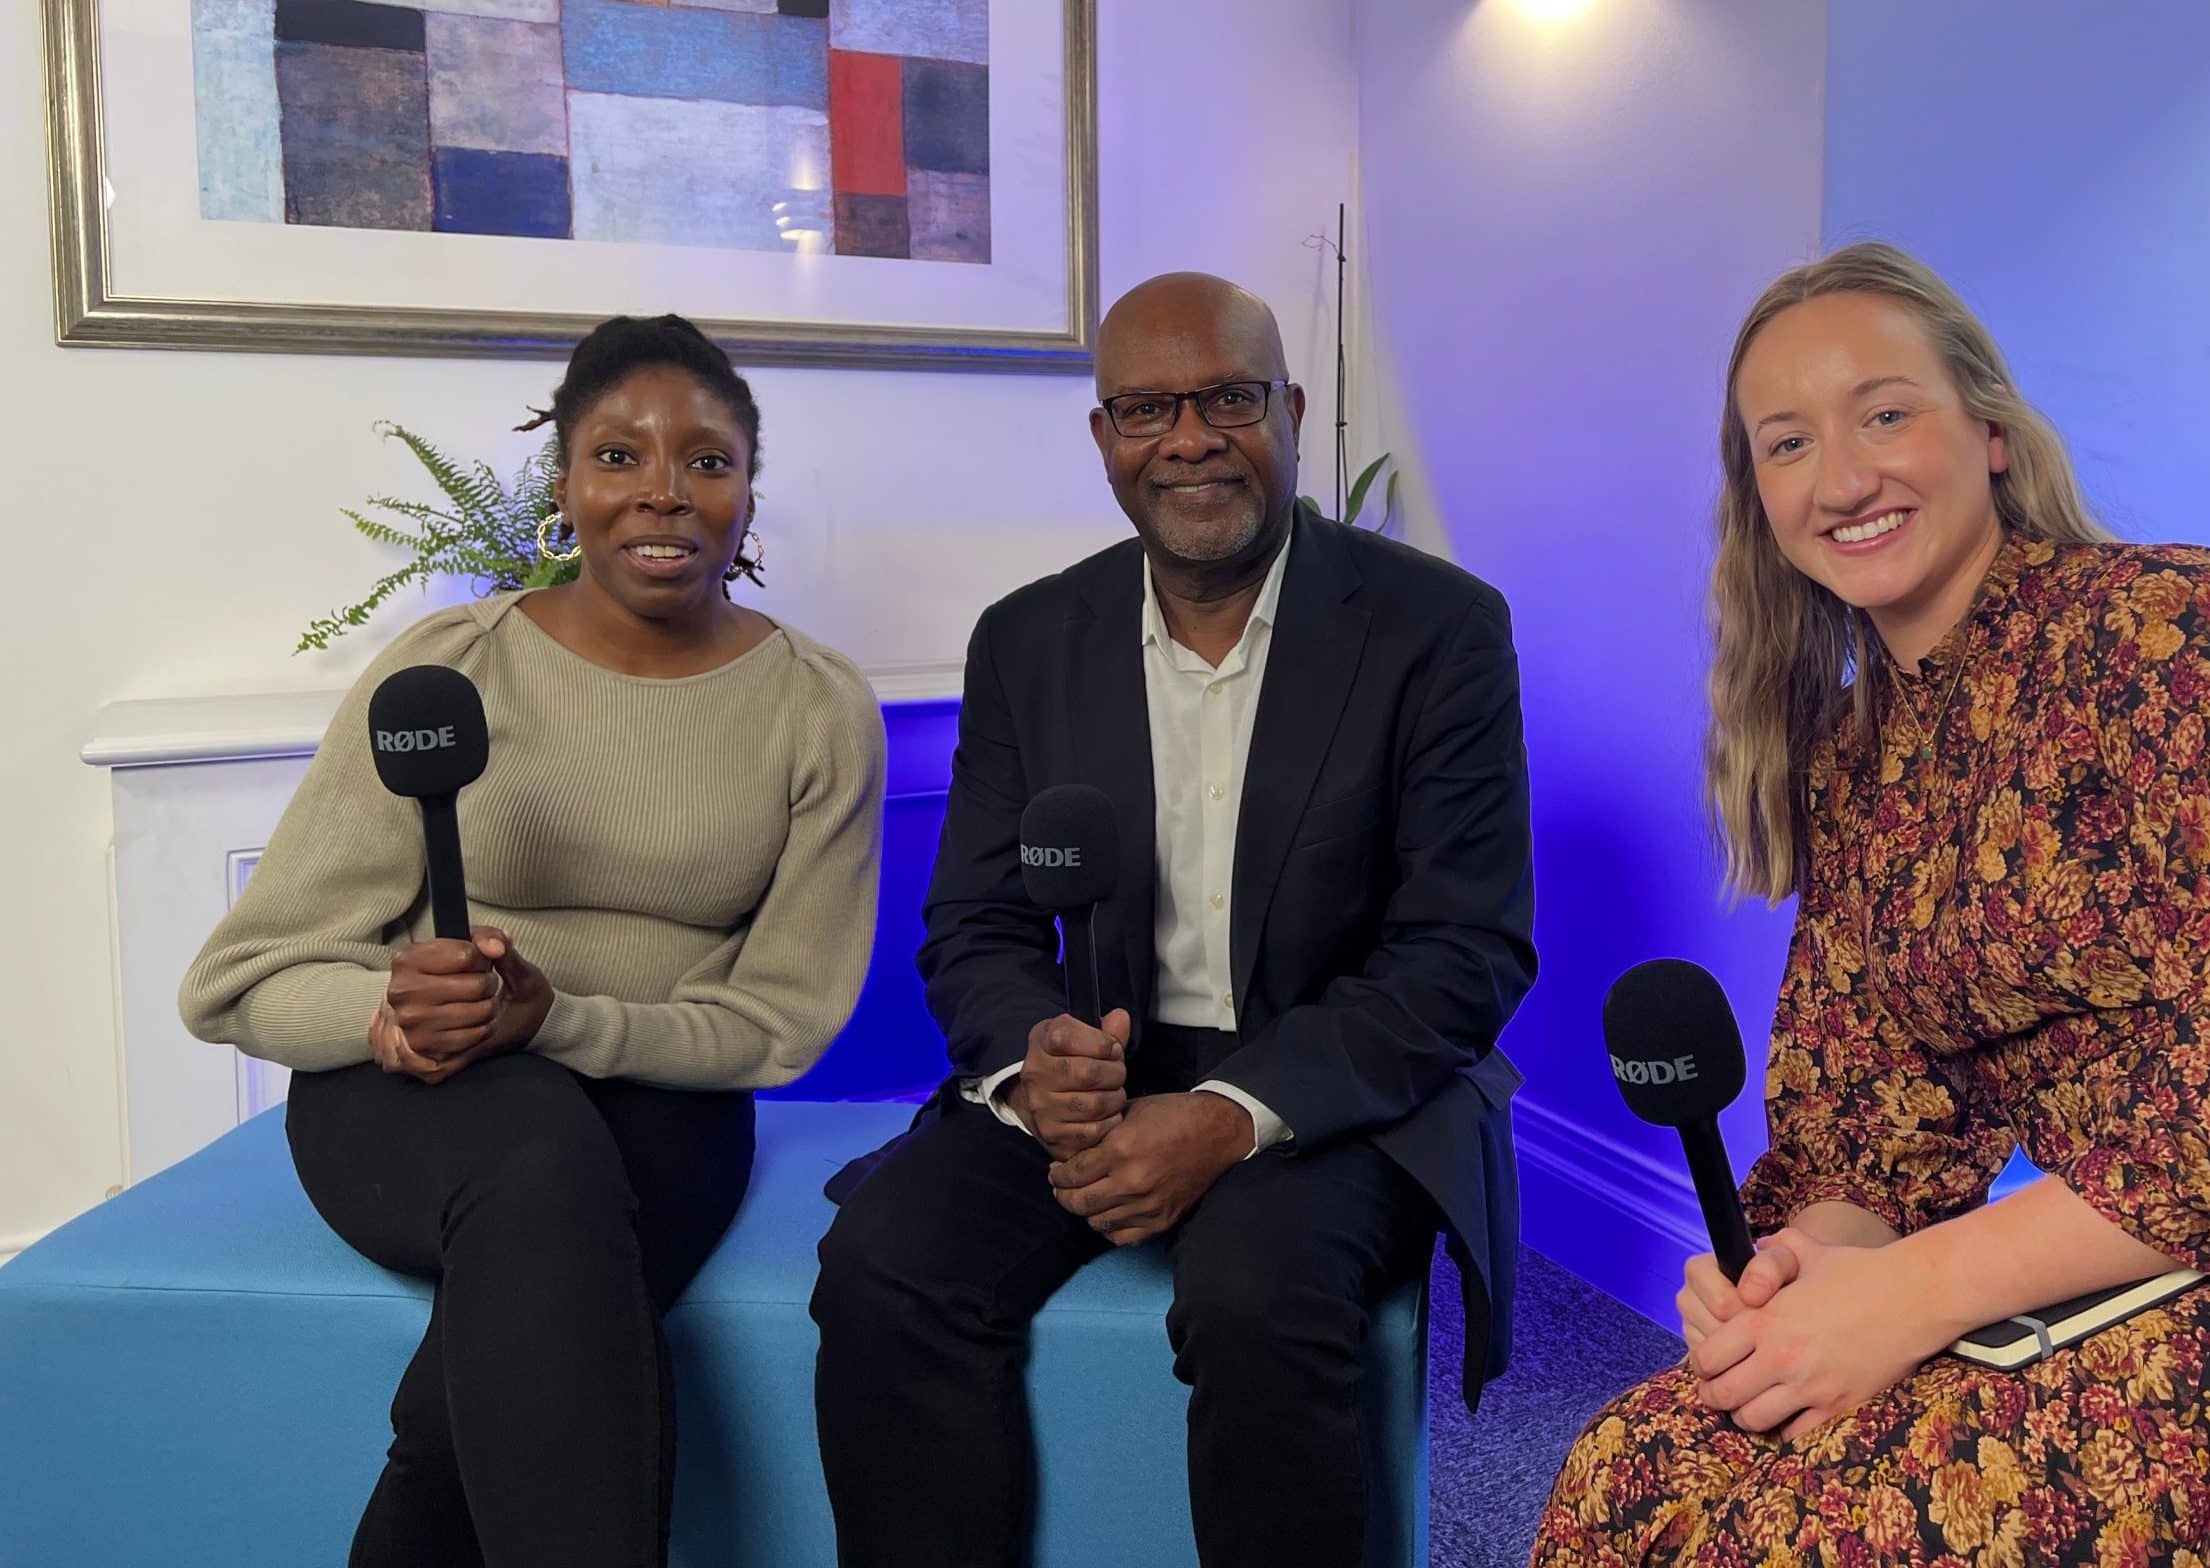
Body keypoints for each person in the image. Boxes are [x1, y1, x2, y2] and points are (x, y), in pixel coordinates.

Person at [1533, 244, 2210, 1565]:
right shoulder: (1853, 761)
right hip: (2154, 1249)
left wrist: (1908, 1293)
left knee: (1856, 1518)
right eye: (1785, 445)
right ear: (1758, 502)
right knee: (1642, 1458)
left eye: (1883, 413)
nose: (1840, 478)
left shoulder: (2181, 629)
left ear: (1992, 436)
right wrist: (1795, 1275)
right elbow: (1870, 1139)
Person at [809, 271, 1536, 1568]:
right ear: (1103, 438)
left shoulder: (1437, 632)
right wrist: (1036, 1061)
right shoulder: (1027, 641)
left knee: (1258, 1296)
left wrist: (1223, 1118)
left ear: (1292, 412)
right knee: (883, 1265)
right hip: (1090, 1063)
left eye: (1228, 398)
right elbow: (972, 922)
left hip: (1322, 1074)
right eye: (1145, 407)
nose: (1189, 437)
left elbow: (1461, 950)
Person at [180, 314, 886, 1568]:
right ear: (563, 487)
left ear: (746, 493)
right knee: (538, 1143)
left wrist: (560, 1017)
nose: (664, 490)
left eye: (707, 461)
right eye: (619, 456)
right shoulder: (455, 669)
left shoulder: (817, 710)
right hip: (411, 1102)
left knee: (526, 1232)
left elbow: (784, 1021)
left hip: (664, 1101)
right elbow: (239, 978)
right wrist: (387, 1014)